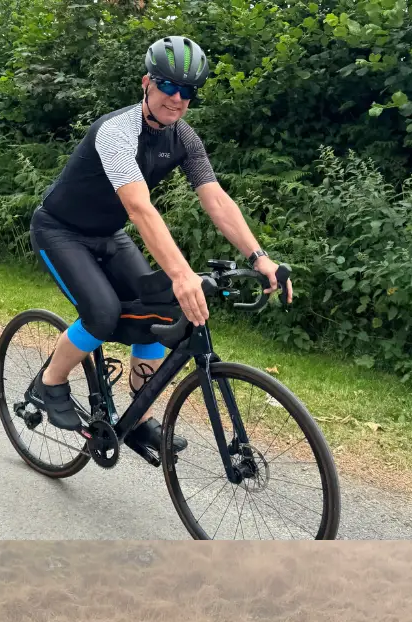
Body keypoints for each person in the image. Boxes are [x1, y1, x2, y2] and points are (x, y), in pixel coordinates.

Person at [27, 35, 292, 454]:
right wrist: (182, 273)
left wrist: (259, 257)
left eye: (188, 91)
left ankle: (139, 418)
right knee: (101, 313)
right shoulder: (116, 132)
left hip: (108, 235)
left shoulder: (184, 138)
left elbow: (217, 201)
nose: (178, 99)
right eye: (169, 86)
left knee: (160, 304)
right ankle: (49, 382)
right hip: (60, 230)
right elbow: (139, 208)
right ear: (146, 83)